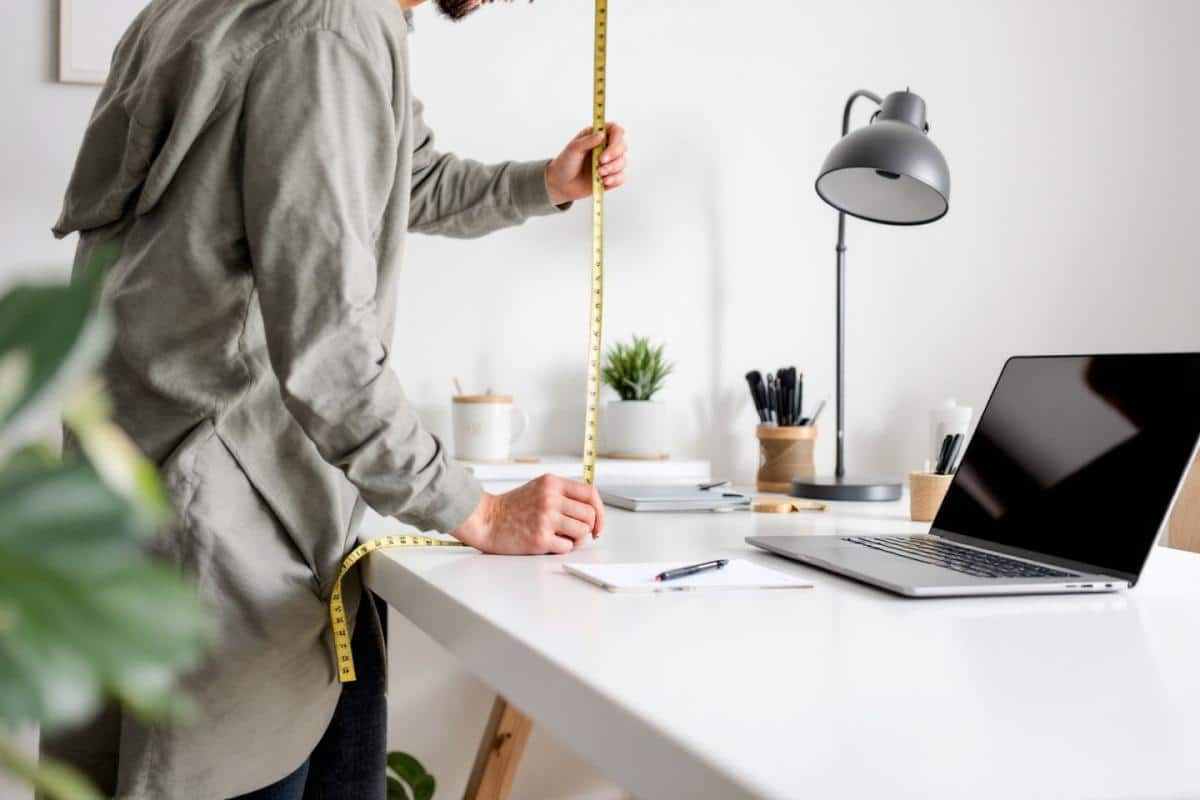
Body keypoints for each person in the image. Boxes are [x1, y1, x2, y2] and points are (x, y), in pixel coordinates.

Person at [46, 0, 628, 796]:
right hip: (224, 527)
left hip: (132, 498)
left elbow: (402, 176)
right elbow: (330, 352)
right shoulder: (333, 28)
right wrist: (481, 513)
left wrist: (543, 185)